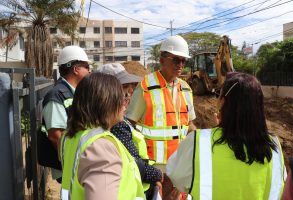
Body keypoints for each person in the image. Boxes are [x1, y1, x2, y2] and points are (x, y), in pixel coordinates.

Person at [166, 72, 285, 199]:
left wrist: (215, 130)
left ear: (222, 102)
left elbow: (176, 177)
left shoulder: (199, 142)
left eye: (218, 95)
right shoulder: (275, 148)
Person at [59, 72, 144, 200]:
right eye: (123, 97)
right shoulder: (101, 148)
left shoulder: (71, 136)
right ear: (106, 103)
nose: (125, 103)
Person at [126, 35, 196, 170]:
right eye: (176, 60)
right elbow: (130, 125)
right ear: (162, 60)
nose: (180, 65)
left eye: (183, 61)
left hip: (180, 164)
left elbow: (190, 125)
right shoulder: (146, 87)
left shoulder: (186, 88)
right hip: (153, 166)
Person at [98, 63, 163, 198]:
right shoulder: (115, 125)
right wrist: (157, 175)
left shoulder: (108, 120)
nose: (130, 92)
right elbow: (134, 163)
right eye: (124, 87)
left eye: (130, 87)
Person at [38, 45, 90, 182]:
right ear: (76, 69)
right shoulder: (56, 96)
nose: (89, 71)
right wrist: (73, 162)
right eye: (87, 67)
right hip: (69, 166)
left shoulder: (74, 93)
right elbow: (56, 135)